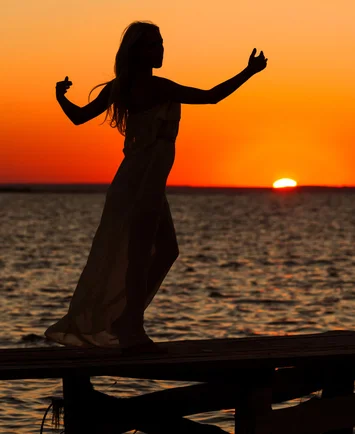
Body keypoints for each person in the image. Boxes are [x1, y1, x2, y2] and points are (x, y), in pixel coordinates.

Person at [45, 20, 267, 354]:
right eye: (152, 44)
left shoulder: (125, 87)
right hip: (140, 182)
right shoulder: (153, 88)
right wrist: (248, 72)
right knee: (140, 254)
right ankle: (132, 328)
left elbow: (76, 116)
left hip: (144, 182)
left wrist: (60, 97)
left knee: (165, 251)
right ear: (136, 51)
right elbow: (210, 98)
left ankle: (126, 319)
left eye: (161, 43)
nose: (160, 49)